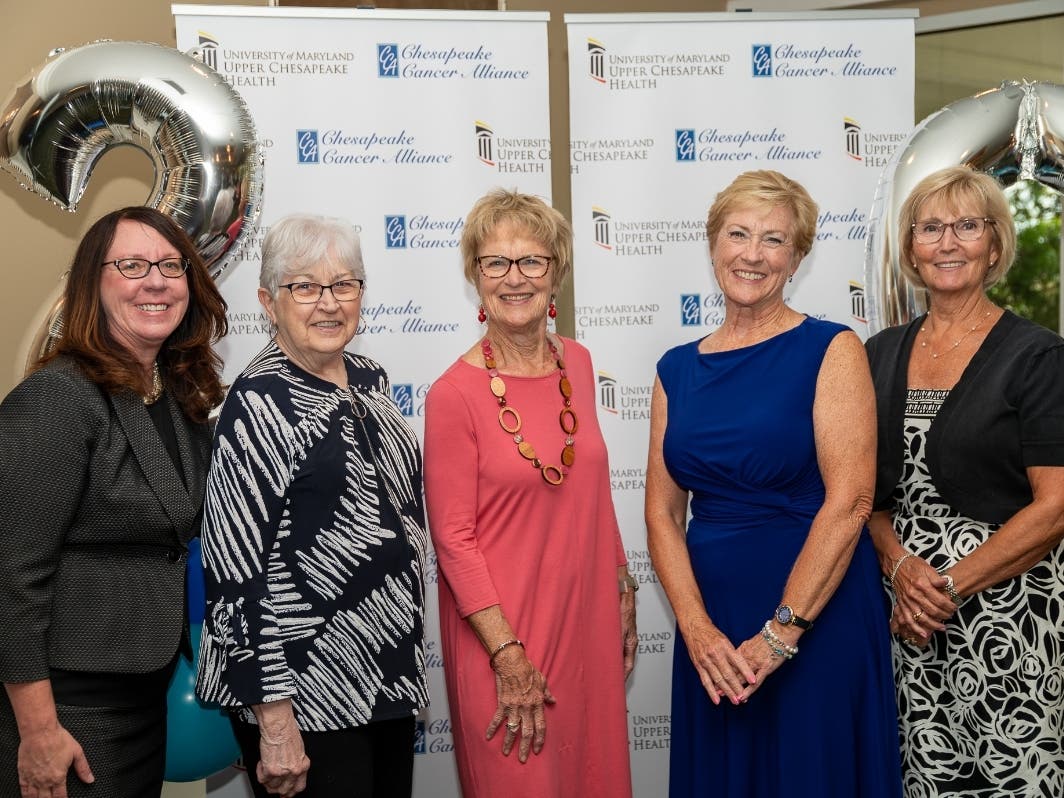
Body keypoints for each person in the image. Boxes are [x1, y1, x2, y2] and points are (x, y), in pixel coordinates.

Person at [646, 170, 902, 797]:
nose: (752, 254)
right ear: (713, 245)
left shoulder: (832, 348)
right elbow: (661, 514)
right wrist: (698, 630)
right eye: (738, 234)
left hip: (815, 616)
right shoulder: (675, 369)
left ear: (798, 257)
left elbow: (850, 504)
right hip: (713, 627)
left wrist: (781, 633)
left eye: (774, 240)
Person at [196, 213, 428, 798]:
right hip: (305, 696)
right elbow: (233, 575)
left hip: (386, 678)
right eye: (304, 286)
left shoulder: (370, 379)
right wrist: (274, 721)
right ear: (269, 303)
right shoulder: (259, 404)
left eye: (343, 284)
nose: (328, 302)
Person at [0, 206, 228, 796]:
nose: (156, 281)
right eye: (131, 264)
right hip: (69, 715)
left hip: (144, 701)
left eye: (171, 265)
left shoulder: (174, 398)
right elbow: (10, 578)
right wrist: (39, 730)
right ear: (92, 285)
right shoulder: (56, 397)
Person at [423, 189, 635, 797]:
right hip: (504, 641)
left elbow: (591, 489)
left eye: (532, 261)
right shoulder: (453, 395)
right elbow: (454, 542)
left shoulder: (581, 363)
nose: (515, 279)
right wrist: (508, 656)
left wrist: (621, 582)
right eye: (496, 263)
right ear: (476, 277)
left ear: (557, 273)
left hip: (587, 626)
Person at [865, 165, 1064, 797]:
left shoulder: (1038, 356)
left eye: (968, 226)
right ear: (910, 251)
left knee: (1016, 782)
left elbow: (1056, 506)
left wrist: (946, 588)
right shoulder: (877, 354)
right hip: (906, 618)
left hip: (1010, 619)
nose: (948, 242)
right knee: (924, 780)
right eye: (931, 228)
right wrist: (900, 570)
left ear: (995, 246)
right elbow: (859, 494)